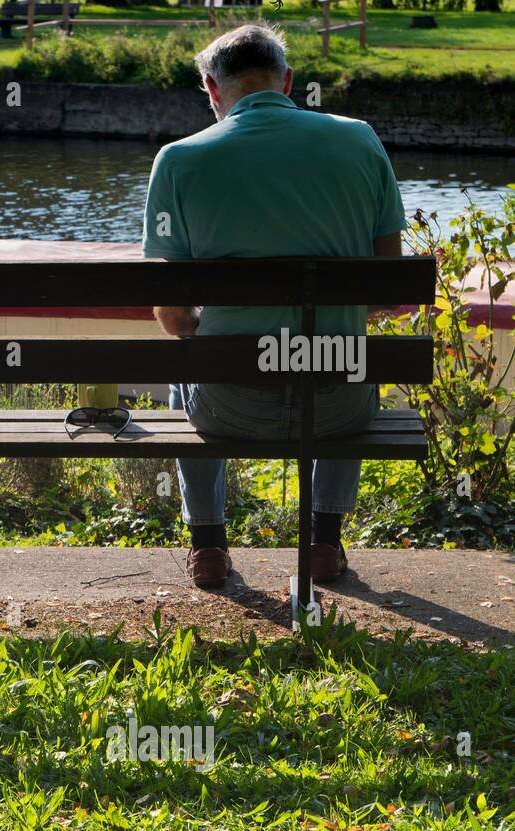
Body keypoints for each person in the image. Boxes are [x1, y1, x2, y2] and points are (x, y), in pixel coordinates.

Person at [142, 23, 406, 589]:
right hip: (336, 406)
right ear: (287, 81)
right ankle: (322, 542)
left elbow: (172, 316)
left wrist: (206, 329)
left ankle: (209, 547)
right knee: (349, 356)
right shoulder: (360, 139)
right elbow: (393, 294)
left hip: (231, 405)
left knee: (185, 367)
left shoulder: (178, 159)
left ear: (212, 90)